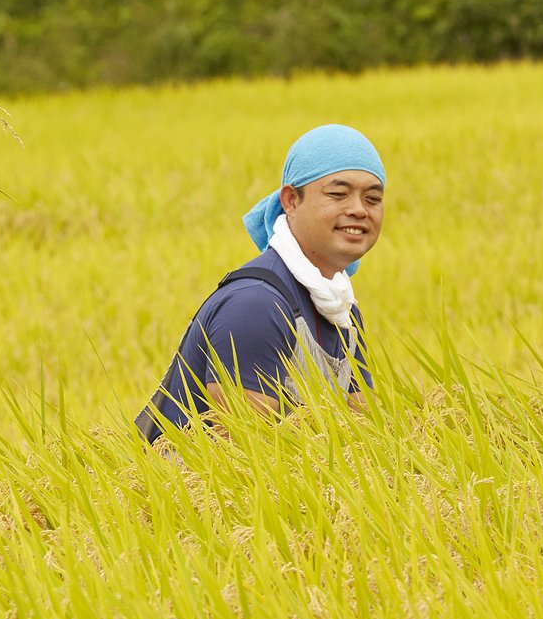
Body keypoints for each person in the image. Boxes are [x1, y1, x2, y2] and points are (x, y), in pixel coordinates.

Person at [137, 124, 384, 441]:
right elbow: (246, 459)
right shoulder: (257, 305)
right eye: (338, 194)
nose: (358, 210)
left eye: (372, 198)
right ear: (291, 201)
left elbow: (364, 440)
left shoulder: (342, 311)